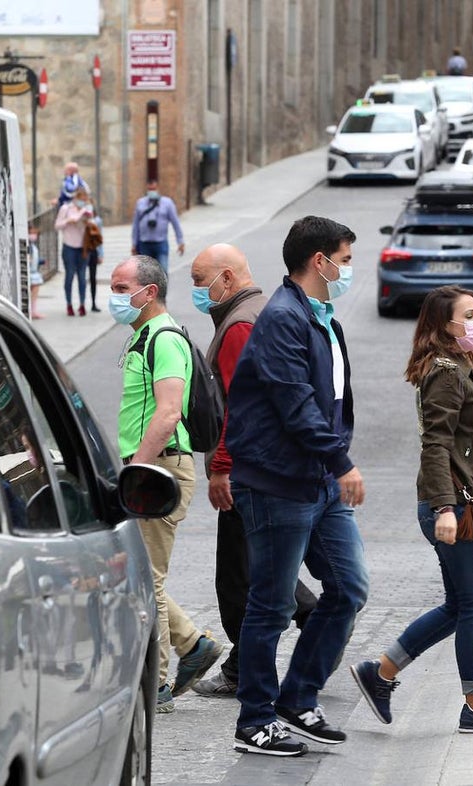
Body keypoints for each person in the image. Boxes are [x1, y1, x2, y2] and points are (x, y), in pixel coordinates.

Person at [350, 285, 473, 734]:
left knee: (461, 606)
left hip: (458, 503)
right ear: (445, 324)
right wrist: (444, 507)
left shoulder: (458, 366)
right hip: (455, 507)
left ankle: (379, 673)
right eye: (470, 315)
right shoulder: (445, 372)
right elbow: (437, 444)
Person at [224, 216, 369, 758]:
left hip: (318, 480)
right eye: (345, 259)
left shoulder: (321, 316)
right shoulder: (284, 317)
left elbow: (332, 399)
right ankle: (255, 719)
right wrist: (342, 461)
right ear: (319, 261)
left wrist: (333, 463)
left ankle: (296, 698)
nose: (348, 269)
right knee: (271, 604)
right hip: (279, 482)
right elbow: (295, 403)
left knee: (349, 587)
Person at [187, 244, 318, 700]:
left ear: (226, 278)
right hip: (268, 466)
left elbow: (238, 406)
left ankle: (246, 670)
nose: (197, 290)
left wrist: (222, 467)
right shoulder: (257, 311)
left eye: (200, 280)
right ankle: (313, 625)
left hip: (248, 470)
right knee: (263, 565)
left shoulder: (241, 323)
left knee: (240, 577)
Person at [110, 255, 224, 714]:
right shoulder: (143, 336)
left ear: (149, 292)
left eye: (121, 288)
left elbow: (168, 412)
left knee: (147, 580)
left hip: (159, 470)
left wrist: (135, 470)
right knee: (142, 573)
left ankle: (156, 684)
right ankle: (192, 645)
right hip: (151, 465)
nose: (115, 297)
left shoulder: (165, 340)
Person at [131, 178, 186, 289]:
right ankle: (148, 299)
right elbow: (136, 224)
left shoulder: (167, 203)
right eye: (150, 188)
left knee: (163, 271)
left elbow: (175, 222)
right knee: (145, 274)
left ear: (158, 188)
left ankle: (162, 298)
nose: (152, 190)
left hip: (160, 243)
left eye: (154, 188)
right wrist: (134, 243)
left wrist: (180, 241)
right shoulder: (141, 203)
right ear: (147, 188)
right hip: (144, 243)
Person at [55, 186, 93, 316]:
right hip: (69, 246)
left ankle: (82, 304)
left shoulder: (86, 210)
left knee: (82, 277)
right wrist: (68, 221)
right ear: (75, 197)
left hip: (83, 247)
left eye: (85, 199)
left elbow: (91, 226)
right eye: (80, 198)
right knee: (70, 275)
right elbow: (57, 225)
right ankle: (69, 304)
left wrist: (87, 221)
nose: (83, 201)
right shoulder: (66, 208)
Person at [27, 224, 44, 320]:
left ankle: (33, 311)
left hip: (33, 271)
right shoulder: (28, 244)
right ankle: (32, 311)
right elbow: (29, 258)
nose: (34, 235)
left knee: (34, 292)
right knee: (32, 293)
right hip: (31, 272)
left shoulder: (32, 245)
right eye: (32, 233)